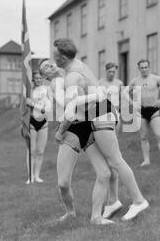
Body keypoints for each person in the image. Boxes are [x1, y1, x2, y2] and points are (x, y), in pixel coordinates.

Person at [52, 38, 149, 222]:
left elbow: (70, 109)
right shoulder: (78, 65)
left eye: (55, 55)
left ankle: (138, 200)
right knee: (108, 165)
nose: (53, 58)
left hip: (99, 113)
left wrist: (60, 131)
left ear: (63, 58)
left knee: (115, 160)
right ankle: (112, 202)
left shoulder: (72, 76)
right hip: (101, 111)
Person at [39, 59, 115, 225]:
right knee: (63, 183)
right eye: (45, 66)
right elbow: (68, 107)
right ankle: (70, 212)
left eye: (50, 62)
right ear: (44, 76)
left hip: (89, 125)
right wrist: (60, 132)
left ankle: (96, 217)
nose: (50, 65)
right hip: (70, 130)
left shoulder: (72, 74)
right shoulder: (55, 84)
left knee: (105, 173)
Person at [129, 60, 160, 168]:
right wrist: (132, 103)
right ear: (139, 69)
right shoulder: (135, 81)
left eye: (146, 67)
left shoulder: (155, 79)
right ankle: (146, 160)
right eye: (142, 68)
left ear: (149, 67)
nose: (144, 69)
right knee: (143, 137)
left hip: (154, 111)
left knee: (159, 135)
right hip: (141, 111)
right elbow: (125, 91)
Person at [25, 72, 51, 184]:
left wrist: (34, 105)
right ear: (34, 80)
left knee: (40, 151)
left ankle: (37, 176)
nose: (39, 80)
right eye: (36, 78)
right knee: (31, 151)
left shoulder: (47, 90)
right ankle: (30, 177)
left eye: (40, 78)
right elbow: (25, 106)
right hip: (32, 122)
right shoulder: (30, 92)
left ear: (43, 78)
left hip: (43, 123)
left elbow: (47, 109)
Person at [98, 63, 124, 133]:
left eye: (113, 72)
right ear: (105, 71)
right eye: (110, 71)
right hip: (103, 113)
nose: (112, 74)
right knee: (104, 136)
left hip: (115, 112)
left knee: (115, 137)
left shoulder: (119, 83)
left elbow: (122, 99)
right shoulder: (99, 83)